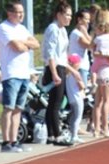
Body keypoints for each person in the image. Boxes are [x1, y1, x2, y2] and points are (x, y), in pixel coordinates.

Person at [0, 1, 40, 152]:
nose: (21, 15)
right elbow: (18, 47)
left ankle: (14, 140)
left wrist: (25, 43)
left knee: (18, 109)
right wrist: (25, 44)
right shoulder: (3, 28)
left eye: (22, 12)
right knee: (9, 108)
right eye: (18, 12)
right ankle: (6, 141)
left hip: (23, 73)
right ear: (10, 13)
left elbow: (36, 44)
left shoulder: (22, 28)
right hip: (11, 73)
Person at [42, 2, 76, 146]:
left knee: (54, 102)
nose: (69, 18)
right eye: (67, 15)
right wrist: (55, 73)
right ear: (59, 15)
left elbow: (62, 53)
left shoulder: (62, 30)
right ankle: (57, 134)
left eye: (70, 15)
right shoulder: (54, 29)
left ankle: (51, 134)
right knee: (56, 102)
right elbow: (50, 53)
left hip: (60, 66)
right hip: (54, 68)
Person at [90, 16, 109, 138]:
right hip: (107, 71)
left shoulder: (97, 39)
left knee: (98, 102)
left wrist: (99, 53)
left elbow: (92, 50)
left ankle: (96, 129)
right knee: (107, 101)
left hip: (98, 71)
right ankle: (105, 127)